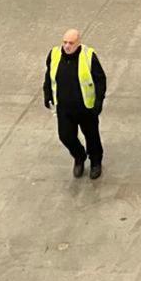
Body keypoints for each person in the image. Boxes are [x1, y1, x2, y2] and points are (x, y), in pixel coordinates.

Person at [43, 28, 107, 178]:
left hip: (85, 107)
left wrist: (98, 103)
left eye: (71, 43)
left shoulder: (88, 56)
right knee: (65, 136)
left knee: (92, 137)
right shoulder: (54, 55)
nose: (67, 46)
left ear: (78, 43)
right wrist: (47, 94)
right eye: (65, 42)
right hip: (64, 108)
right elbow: (49, 76)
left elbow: (100, 80)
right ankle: (79, 156)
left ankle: (95, 162)